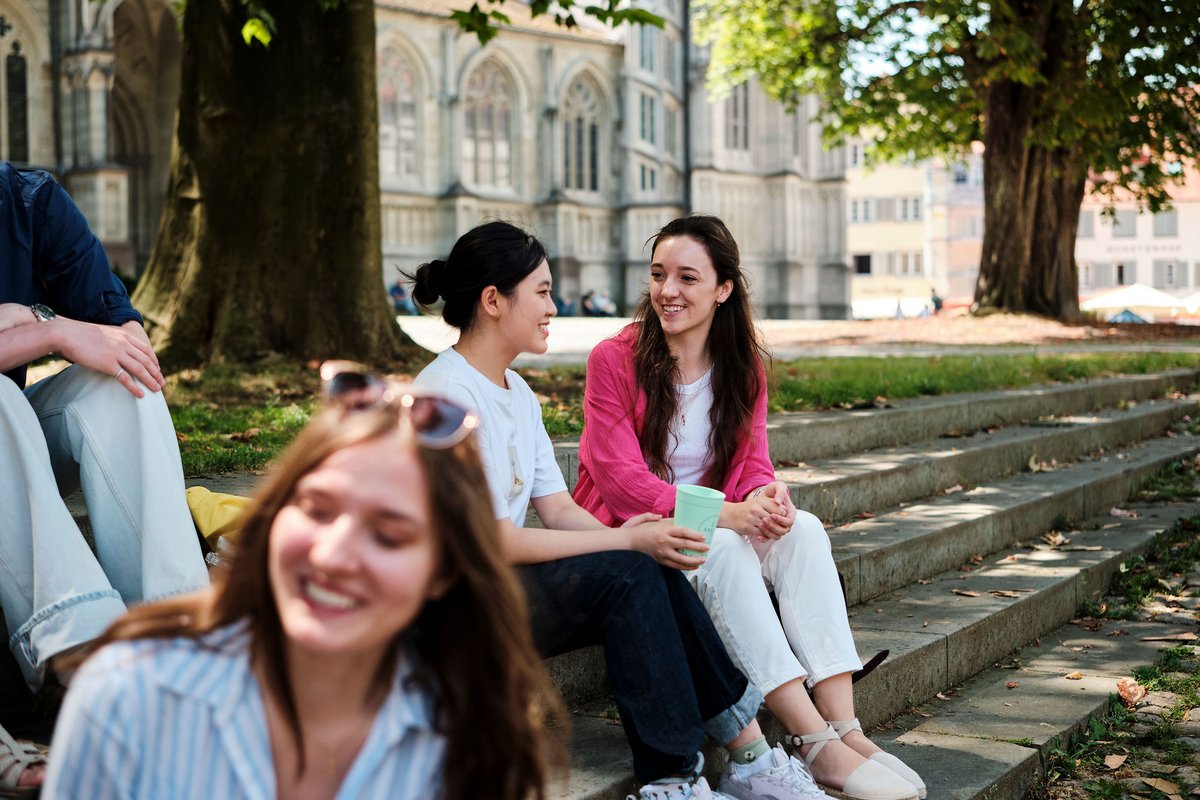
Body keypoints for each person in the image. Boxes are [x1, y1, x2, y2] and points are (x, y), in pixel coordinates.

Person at [410, 220, 828, 800]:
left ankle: (752, 758)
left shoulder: (517, 393)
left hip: (501, 588)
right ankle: (672, 781)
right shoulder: (446, 396)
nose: (554, 307)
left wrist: (638, 532)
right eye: (542, 291)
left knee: (651, 555)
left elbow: (557, 509)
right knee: (633, 566)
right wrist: (622, 541)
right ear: (492, 301)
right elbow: (491, 541)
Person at [43, 376, 562, 800]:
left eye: (387, 536)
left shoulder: (471, 740)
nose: (332, 555)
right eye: (316, 509)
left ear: (442, 572)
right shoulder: (129, 695)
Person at [574, 215, 925, 800]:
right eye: (660, 275)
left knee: (805, 531)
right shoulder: (614, 360)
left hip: (713, 526)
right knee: (728, 543)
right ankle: (814, 743)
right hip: (637, 533)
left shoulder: (742, 365)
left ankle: (845, 726)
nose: (668, 291)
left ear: (723, 288)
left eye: (688, 278)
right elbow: (621, 484)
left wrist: (766, 498)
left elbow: (753, 461)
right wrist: (730, 515)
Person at [0, 163, 208, 794]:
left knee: (123, 382)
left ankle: (175, 631)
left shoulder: (27, 199)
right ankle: (82, 651)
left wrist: (32, 321)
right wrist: (56, 329)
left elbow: (127, 339)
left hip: (12, 453)